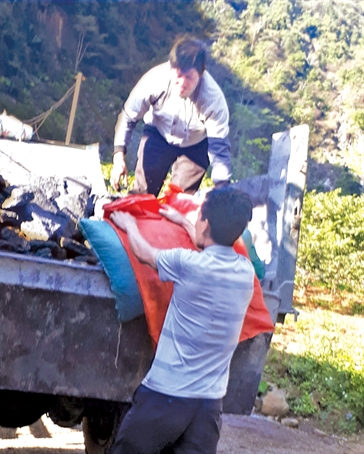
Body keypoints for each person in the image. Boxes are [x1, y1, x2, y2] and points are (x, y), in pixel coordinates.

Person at [108, 187, 254, 454]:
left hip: (165, 398)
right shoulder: (245, 272)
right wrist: (184, 221)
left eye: (199, 218)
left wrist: (129, 225)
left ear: (206, 223)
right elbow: (211, 247)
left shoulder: (187, 265)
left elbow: (144, 253)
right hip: (208, 408)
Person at [111, 36, 232, 196]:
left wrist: (221, 188)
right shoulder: (155, 79)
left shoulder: (212, 98)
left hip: (195, 146)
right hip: (158, 135)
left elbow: (219, 147)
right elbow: (128, 117)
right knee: (142, 194)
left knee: (179, 202)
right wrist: (118, 157)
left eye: (189, 77)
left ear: (201, 73)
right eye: (178, 75)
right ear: (171, 67)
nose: (182, 83)